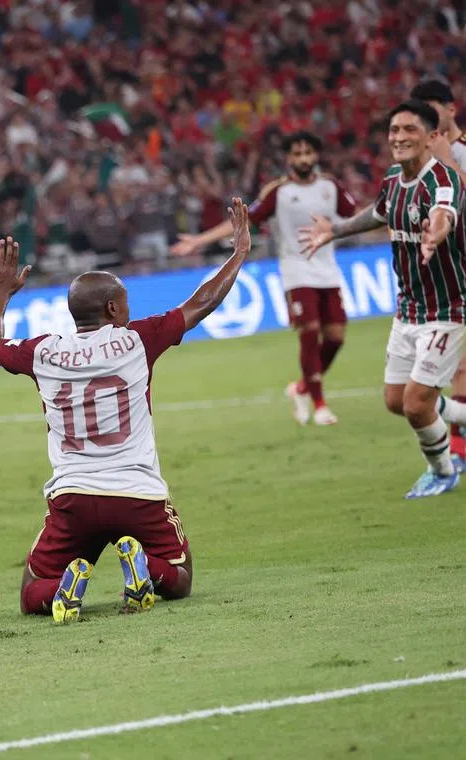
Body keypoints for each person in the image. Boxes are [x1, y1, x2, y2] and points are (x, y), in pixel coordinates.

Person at [0, 199, 251, 623]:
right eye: (124, 303)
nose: (129, 310)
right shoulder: (138, 340)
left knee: (32, 590)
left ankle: (67, 586)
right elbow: (201, 304)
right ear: (111, 309)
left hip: (73, 499)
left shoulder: (43, 351)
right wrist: (238, 254)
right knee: (180, 577)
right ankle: (144, 568)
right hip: (137, 494)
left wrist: (1, 292)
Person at [300, 101, 466, 498]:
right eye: (394, 130)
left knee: (415, 403)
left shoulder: (444, 179)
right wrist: (335, 231)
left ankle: (443, 470)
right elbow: (379, 212)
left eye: (409, 130)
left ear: (429, 138)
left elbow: (444, 214)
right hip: (407, 309)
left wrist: (436, 234)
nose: (399, 137)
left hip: (446, 310)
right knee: (395, 400)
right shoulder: (393, 179)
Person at [172, 132, 357, 426]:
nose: (303, 159)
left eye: (308, 153)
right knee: (309, 332)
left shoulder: (330, 186)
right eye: (297, 154)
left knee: (335, 337)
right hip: (296, 271)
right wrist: (199, 241)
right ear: (288, 158)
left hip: (329, 270)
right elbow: (244, 220)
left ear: (316, 156)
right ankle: (319, 405)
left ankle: (301, 388)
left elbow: (355, 216)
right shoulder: (278, 193)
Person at [411, 80, 466, 457]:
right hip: (449, 275)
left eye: (433, 108)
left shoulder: (456, 153)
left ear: (451, 109)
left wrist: (447, 161)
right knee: (453, 369)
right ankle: (458, 451)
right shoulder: (423, 164)